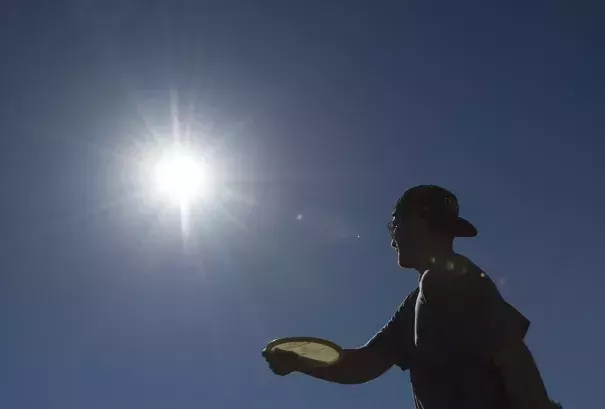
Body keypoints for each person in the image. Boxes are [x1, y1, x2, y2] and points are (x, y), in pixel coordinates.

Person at [262, 185, 555, 409]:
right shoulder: (418, 302)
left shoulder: (444, 281)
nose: (392, 239)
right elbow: (364, 363)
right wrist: (299, 361)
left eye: (395, 225)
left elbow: (512, 355)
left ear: (418, 221)